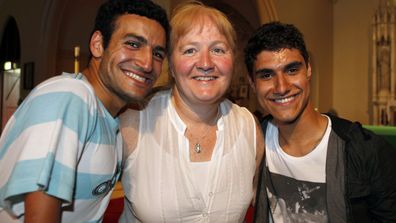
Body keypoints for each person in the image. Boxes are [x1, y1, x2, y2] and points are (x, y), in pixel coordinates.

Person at [0, 0, 169, 222]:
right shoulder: (70, 95)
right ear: (98, 44)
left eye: (157, 53)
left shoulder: (109, 120)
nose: (148, 63)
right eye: (133, 44)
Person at [119, 1, 264, 222]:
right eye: (190, 50)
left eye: (217, 49)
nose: (205, 63)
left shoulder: (249, 128)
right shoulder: (134, 121)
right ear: (172, 64)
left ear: (232, 60)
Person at [244, 21, 396, 222]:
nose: (281, 87)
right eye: (266, 75)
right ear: (252, 84)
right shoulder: (252, 144)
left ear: (308, 69)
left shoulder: (367, 151)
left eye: (291, 70)